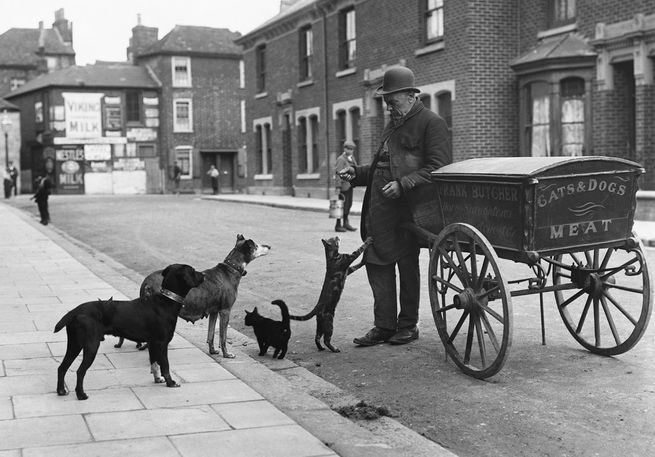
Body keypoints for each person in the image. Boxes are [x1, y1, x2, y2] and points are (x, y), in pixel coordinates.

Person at [338, 66, 452, 346]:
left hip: (409, 210)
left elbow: (439, 168)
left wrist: (404, 184)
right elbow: (383, 166)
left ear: (411, 95)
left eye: (393, 99)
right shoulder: (393, 123)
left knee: (406, 265)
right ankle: (383, 325)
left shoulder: (431, 123)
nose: (388, 105)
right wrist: (359, 174)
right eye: (386, 99)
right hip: (379, 210)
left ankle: (408, 325)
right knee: (376, 262)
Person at [334, 140, 358, 232]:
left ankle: (346, 223)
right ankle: (338, 225)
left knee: (348, 204)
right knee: (340, 205)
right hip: (342, 187)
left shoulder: (352, 159)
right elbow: (338, 173)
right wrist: (338, 187)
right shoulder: (341, 159)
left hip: (350, 185)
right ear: (344, 148)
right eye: (348, 148)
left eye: (352, 149)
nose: (350, 151)